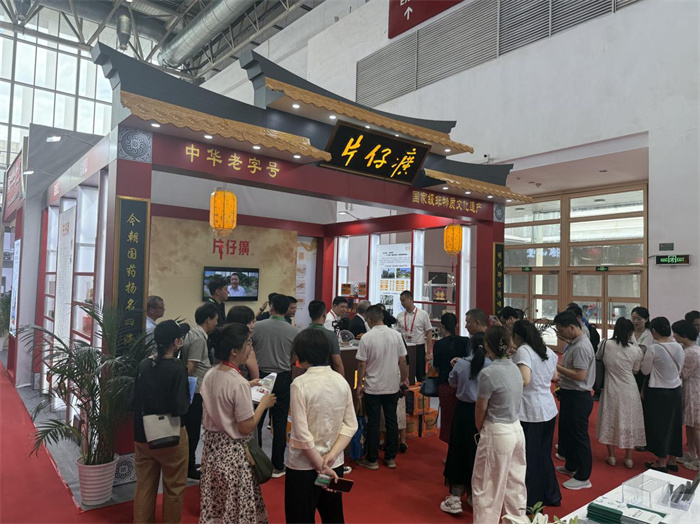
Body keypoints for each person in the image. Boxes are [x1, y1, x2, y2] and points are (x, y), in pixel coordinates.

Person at [199, 323, 276, 523]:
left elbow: (221, 394)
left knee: (216, 504)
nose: (250, 348)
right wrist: (263, 405)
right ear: (234, 351)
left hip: (212, 450)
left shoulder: (211, 373)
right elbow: (245, 427)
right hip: (233, 455)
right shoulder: (237, 382)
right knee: (236, 506)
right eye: (247, 344)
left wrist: (248, 385)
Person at [285, 329, 358, 523]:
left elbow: (301, 434)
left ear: (302, 354)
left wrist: (320, 465)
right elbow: (351, 425)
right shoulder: (340, 380)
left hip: (303, 466)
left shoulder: (299, 384)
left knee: (300, 518)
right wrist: (330, 457)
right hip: (334, 464)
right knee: (333, 516)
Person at [129, 320, 190, 524]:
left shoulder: (143, 365)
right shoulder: (178, 368)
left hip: (142, 434)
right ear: (176, 342)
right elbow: (181, 407)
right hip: (170, 434)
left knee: (144, 486)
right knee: (174, 488)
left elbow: (132, 401)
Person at [471, 326, 526, 524]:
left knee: (487, 488)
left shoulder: (488, 373)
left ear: (487, 345)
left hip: (497, 430)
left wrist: (481, 430)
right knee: (515, 486)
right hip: (516, 429)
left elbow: (481, 408)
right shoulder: (515, 368)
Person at [512, 320, 561, 508]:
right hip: (548, 408)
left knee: (529, 457)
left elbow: (524, 380)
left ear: (518, 336)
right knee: (543, 454)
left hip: (530, 411)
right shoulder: (546, 350)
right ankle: (551, 495)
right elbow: (555, 377)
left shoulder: (523, 351)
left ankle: (532, 500)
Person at [440, 332, 490, 515]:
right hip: (483, 412)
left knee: (458, 451)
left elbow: (452, 383)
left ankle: (455, 498)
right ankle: (474, 495)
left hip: (463, 412)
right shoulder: (491, 365)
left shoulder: (461, 364)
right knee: (478, 453)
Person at [355, 305, 409, 470]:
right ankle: (390, 457)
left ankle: (372, 459)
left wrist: (359, 384)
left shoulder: (367, 337)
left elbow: (362, 364)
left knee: (373, 423)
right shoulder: (396, 335)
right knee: (391, 421)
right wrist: (404, 379)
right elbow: (403, 360)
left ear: (369, 319)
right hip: (392, 385)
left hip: (372, 386)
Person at [251, 294, 299, 477]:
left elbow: (249, 350)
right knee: (279, 422)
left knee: (257, 419)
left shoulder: (257, 327)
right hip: (283, 376)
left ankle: (256, 462)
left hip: (261, 376)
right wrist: (286, 362)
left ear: (271, 307)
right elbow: (295, 355)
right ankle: (278, 464)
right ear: (287, 309)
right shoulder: (293, 331)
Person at [595, 317, 645, 469]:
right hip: (629, 388)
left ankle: (611, 456)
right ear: (631, 332)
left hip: (611, 387)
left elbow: (598, 359)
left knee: (610, 418)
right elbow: (635, 370)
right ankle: (628, 458)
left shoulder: (605, 344)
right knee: (630, 420)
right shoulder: (636, 350)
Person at [554, 310, 595, 490]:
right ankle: (571, 465)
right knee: (568, 433)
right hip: (570, 393)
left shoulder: (581, 347)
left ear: (572, 327)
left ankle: (583, 476)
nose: (560, 334)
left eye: (561, 330)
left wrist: (556, 367)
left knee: (579, 436)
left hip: (579, 396)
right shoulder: (574, 343)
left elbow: (579, 375)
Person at [180, 303, 219, 480]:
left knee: (193, 428)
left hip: (197, 389)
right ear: (208, 320)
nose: (216, 323)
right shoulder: (198, 339)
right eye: (215, 320)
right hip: (195, 391)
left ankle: (190, 462)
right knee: (193, 429)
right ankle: (188, 467)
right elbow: (191, 367)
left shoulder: (196, 334)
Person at [641, 317, 685, 472]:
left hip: (658, 391)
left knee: (660, 426)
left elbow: (645, 371)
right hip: (676, 389)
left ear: (653, 331)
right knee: (674, 425)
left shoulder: (654, 348)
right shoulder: (679, 346)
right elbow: (681, 367)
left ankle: (661, 461)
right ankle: (673, 459)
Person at [432, 313, 469, 444]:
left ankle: (450, 448)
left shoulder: (438, 344)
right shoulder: (466, 341)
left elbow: (436, 367)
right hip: (463, 385)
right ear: (457, 325)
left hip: (445, 385)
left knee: (447, 417)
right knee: (463, 416)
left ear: (442, 326)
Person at [672, 320, 700, 471]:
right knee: (690, 424)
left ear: (683, 335)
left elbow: (683, 373)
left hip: (694, 390)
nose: (674, 336)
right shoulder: (691, 349)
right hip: (691, 388)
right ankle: (692, 454)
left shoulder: (691, 353)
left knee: (696, 426)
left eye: (675, 333)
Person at [397, 290, 433, 382]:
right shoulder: (400, 316)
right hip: (404, 347)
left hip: (418, 348)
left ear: (410, 299)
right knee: (405, 374)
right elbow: (398, 333)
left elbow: (429, 333)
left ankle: (421, 391)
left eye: (403, 300)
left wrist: (428, 353)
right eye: (401, 301)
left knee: (420, 375)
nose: (402, 303)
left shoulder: (422, 314)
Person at [303, 300, 345, 377]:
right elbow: (337, 362)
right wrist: (342, 380)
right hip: (326, 375)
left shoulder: (302, 334)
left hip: (307, 375)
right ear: (324, 314)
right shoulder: (330, 335)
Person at [226, 305, 261, 380]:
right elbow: (255, 377)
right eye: (249, 322)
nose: (253, 326)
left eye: (253, 322)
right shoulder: (246, 346)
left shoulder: (222, 341)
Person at [631, 306, 653, 394]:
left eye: (639, 319)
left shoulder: (651, 334)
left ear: (646, 319)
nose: (635, 321)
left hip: (644, 370)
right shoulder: (628, 333)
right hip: (629, 368)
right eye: (633, 318)